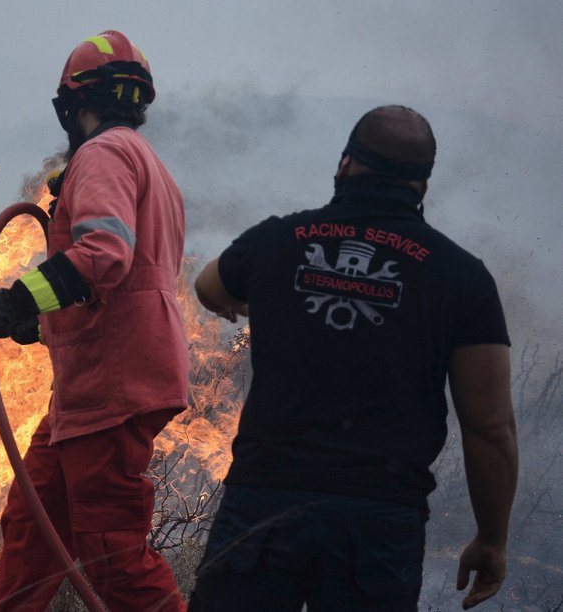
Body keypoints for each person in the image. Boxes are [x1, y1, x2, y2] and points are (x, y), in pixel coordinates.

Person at [189, 105, 518, 611]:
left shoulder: (279, 240)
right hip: (377, 524)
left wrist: (264, 299)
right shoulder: (461, 276)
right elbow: (490, 427)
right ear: (422, 188)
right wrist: (492, 540)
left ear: (344, 165)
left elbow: (209, 287)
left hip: (262, 508)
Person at [0, 30, 189, 611]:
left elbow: (104, 255)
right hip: (92, 389)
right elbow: (123, 284)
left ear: (72, 103)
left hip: (114, 389)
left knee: (114, 558)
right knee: (34, 523)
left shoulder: (104, 154)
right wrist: (35, 322)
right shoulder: (148, 163)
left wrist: (15, 303)